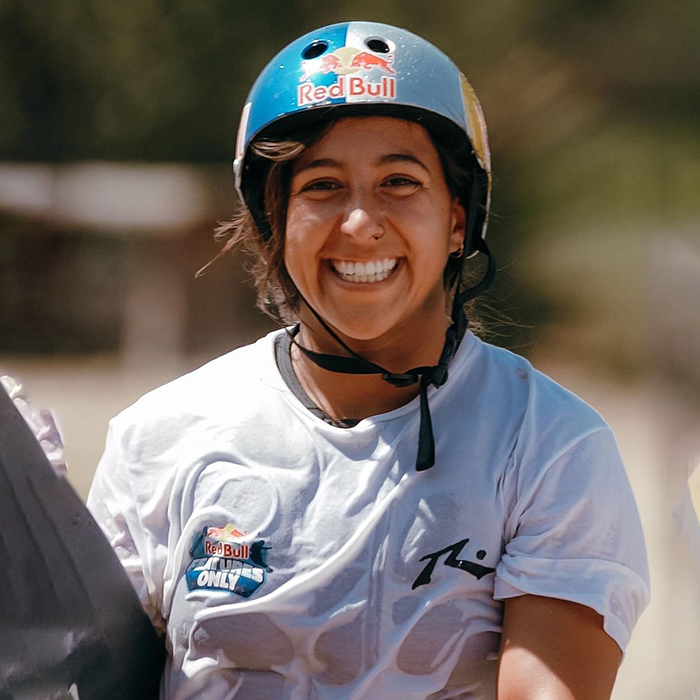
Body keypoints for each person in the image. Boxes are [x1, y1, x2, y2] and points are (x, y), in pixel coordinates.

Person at [87, 21, 650, 699]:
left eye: (400, 182)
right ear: (275, 219)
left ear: (458, 220)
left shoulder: (550, 445)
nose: (359, 223)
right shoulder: (158, 438)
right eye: (321, 186)